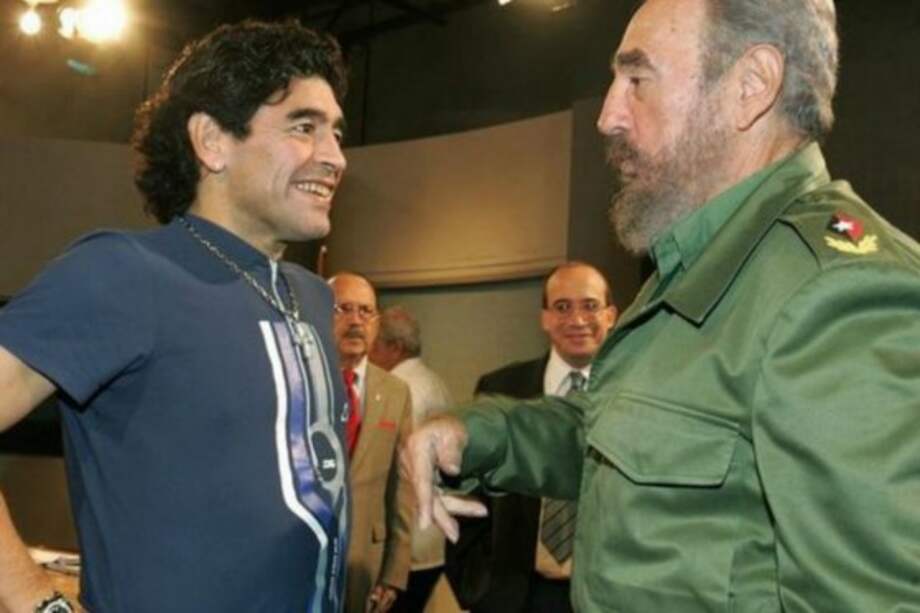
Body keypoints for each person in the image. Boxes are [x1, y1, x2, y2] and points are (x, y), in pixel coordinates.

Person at [403, 0, 920, 610]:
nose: (608, 116)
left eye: (637, 79)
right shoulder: (700, 263)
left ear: (750, 87)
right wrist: (480, 433)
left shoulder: (833, 294)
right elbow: (622, 439)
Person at [0, 20, 350, 613]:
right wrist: (36, 603)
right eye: (303, 127)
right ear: (211, 140)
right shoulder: (124, 272)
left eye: (337, 132)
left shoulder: (312, 297)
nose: (336, 158)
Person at [443, 262, 615, 613]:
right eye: (562, 307)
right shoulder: (500, 390)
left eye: (590, 305)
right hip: (515, 596)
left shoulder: (632, 395)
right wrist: (475, 586)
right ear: (545, 319)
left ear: (612, 315)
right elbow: (468, 495)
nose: (577, 319)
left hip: (604, 596)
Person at [329, 273, 413, 613]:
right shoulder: (300, 381)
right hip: (300, 553)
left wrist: (395, 571)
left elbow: (403, 486)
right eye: (344, 309)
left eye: (366, 311)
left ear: (377, 323)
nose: (355, 321)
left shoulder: (396, 392)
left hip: (366, 558)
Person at [369, 305, 453, 613]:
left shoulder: (401, 390)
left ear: (394, 348)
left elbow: (394, 471)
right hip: (429, 539)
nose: (368, 352)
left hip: (406, 544)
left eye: (374, 344)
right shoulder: (434, 382)